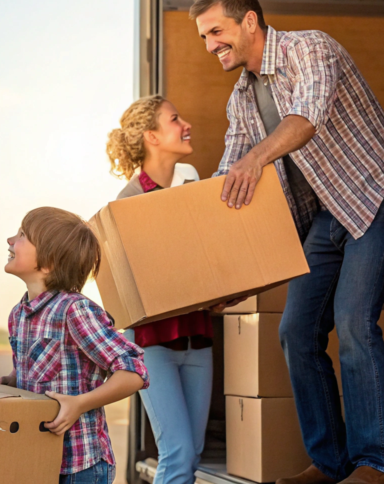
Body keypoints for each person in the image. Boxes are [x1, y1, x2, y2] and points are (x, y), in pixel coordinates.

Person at [189, 0, 384, 484]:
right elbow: (226, 179)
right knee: (296, 331)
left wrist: (257, 158)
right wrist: (215, 274)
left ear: (249, 21)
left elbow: (306, 120)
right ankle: (330, 464)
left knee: (354, 322)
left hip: (378, 195)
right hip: (327, 217)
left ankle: (378, 466)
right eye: (204, 36)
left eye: (216, 31)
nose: (210, 44)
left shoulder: (309, 48)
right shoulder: (241, 99)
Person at [105, 95, 239, 484]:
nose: (186, 124)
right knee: (178, 454)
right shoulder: (128, 201)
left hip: (197, 334)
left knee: (191, 453)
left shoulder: (192, 180)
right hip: (153, 342)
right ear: (152, 136)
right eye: (174, 119)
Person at [0, 206, 150, 484]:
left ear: (49, 261)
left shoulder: (73, 310)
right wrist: (13, 379)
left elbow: (134, 372)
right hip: (37, 460)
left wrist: (80, 404)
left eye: (22, 235)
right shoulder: (18, 315)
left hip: (80, 466)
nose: (10, 240)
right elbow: (37, 370)